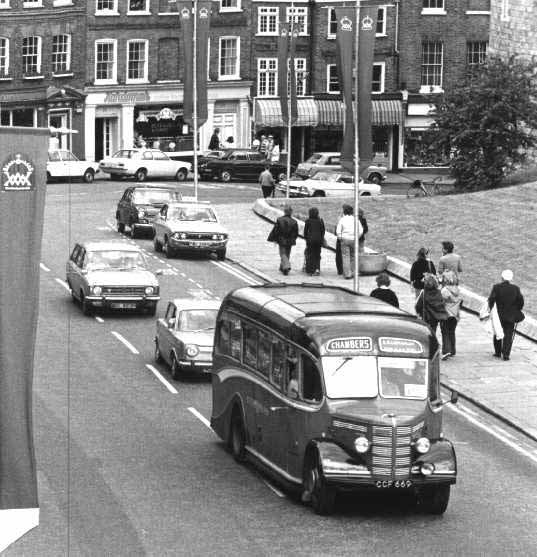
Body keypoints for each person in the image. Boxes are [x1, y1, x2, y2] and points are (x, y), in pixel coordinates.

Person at [488, 269, 525, 361]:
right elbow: (520, 301)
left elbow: (491, 299)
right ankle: (506, 354)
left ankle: (497, 352)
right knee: (508, 334)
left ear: (502, 277)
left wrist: (491, 309)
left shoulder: (496, 287)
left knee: (497, 332)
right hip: (511, 315)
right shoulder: (515, 288)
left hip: (499, 315)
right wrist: (517, 309)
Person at [439, 270, 462, 359]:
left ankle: (446, 350)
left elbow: (441, 301)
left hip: (446, 314)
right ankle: (452, 350)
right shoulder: (457, 289)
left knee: (445, 332)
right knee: (452, 332)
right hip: (455, 314)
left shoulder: (444, 290)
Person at [336, 204, 362, 280]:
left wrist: (340, 237)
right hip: (353, 239)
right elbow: (361, 230)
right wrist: (357, 237)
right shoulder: (356, 220)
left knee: (345, 257)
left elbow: (338, 230)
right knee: (353, 256)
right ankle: (353, 272)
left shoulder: (342, 219)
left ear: (344, 211)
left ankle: (347, 274)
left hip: (344, 239)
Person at [272, 205, 298, 275]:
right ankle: (282, 267)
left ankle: (286, 266)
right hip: (290, 240)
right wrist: (293, 239)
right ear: (291, 212)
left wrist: (275, 239)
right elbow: (296, 233)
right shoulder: (294, 222)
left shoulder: (279, 219)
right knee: (287, 254)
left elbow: (276, 231)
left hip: (281, 240)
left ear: (284, 212)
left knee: (282, 254)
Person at [303, 207, 325, 276]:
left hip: (310, 241)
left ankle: (310, 270)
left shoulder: (308, 221)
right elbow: (323, 231)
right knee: (317, 255)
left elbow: (305, 231)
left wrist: (306, 238)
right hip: (318, 241)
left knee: (310, 255)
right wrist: (321, 238)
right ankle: (317, 269)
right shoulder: (320, 221)